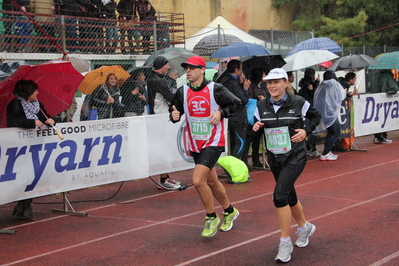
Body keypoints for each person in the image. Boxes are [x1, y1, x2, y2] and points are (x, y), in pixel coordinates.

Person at [252, 68, 321, 262]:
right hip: (275, 157)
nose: (272, 86)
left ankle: (284, 242)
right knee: (289, 195)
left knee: (279, 195)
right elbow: (256, 129)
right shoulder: (261, 105)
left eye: (276, 82)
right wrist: (256, 127)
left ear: (285, 83)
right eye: (269, 83)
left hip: (295, 156)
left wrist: (306, 131)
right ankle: (305, 227)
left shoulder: (298, 102)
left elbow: (316, 117)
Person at [170, 56, 241, 237]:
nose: (188, 71)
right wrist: (174, 115)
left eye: (192, 68)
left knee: (197, 181)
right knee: (212, 181)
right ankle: (230, 211)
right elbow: (174, 110)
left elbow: (236, 103)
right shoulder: (182, 91)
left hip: (213, 142)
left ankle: (211, 217)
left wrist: (221, 111)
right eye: (186, 68)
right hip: (195, 143)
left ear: (202, 70)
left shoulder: (215, 89)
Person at [6, 79, 56, 220]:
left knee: (33, 175)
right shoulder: (15, 105)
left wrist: (52, 121)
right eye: (34, 90)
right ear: (26, 92)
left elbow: (45, 117)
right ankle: (25, 205)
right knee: (25, 175)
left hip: (36, 145)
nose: (37, 93)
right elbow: (12, 122)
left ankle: (24, 205)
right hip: (20, 147)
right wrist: (31, 122)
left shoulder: (37, 105)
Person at [146, 56, 181, 189]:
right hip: (160, 118)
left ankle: (165, 177)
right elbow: (171, 98)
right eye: (166, 65)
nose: (168, 67)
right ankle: (163, 179)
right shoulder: (158, 81)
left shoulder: (155, 79)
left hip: (158, 116)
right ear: (161, 66)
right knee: (163, 148)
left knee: (164, 147)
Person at [218, 59, 250, 161]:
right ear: (236, 70)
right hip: (238, 118)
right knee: (239, 144)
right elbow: (243, 100)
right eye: (241, 69)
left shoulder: (227, 81)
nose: (242, 71)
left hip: (231, 118)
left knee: (234, 144)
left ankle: (232, 169)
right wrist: (245, 88)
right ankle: (235, 171)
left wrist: (241, 85)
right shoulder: (232, 83)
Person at [313, 70, 347, 161]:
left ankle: (327, 151)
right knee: (335, 131)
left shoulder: (322, 85)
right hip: (330, 113)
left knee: (332, 131)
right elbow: (341, 96)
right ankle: (325, 153)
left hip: (323, 113)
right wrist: (344, 92)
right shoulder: (333, 83)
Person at [242, 67, 267, 170]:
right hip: (251, 117)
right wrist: (258, 99)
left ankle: (256, 160)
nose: (265, 76)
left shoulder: (263, 86)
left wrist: (264, 99)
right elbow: (249, 100)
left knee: (256, 140)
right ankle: (244, 162)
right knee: (248, 140)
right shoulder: (251, 86)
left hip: (260, 117)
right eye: (263, 74)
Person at [368, 69, 399, 144]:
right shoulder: (387, 76)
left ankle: (377, 137)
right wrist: (389, 92)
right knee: (384, 119)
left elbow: (370, 87)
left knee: (377, 119)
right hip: (384, 101)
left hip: (375, 100)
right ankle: (382, 137)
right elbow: (394, 88)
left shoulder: (376, 76)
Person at [298, 68, 320, 156]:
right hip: (309, 105)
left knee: (306, 126)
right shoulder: (309, 84)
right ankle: (311, 147)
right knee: (311, 127)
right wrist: (317, 83)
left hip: (304, 106)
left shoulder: (303, 83)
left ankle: (307, 147)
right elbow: (313, 93)